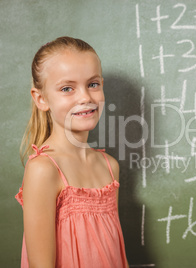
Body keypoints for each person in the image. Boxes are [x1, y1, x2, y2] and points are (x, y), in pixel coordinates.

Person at [15, 36, 129, 268]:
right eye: (67, 88)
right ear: (41, 99)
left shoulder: (109, 166)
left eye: (93, 84)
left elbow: (118, 253)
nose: (85, 97)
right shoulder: (43, 169)